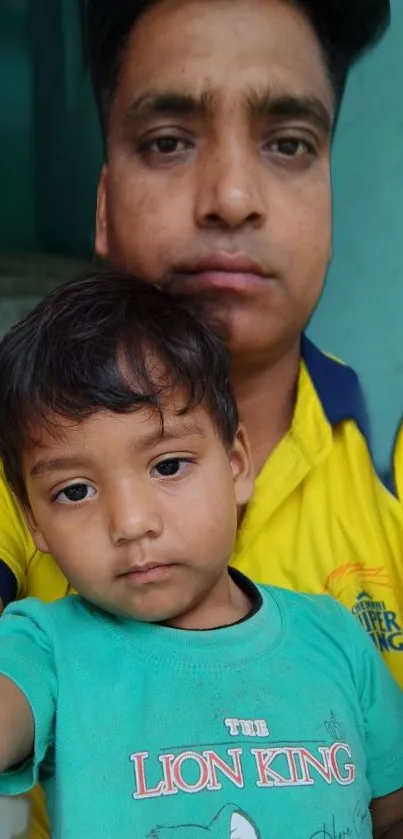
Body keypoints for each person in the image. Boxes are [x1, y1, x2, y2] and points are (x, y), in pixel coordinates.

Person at [0, 1, 401, 837]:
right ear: (104, 202)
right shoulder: (14, 490)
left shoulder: (385, 488)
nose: (229, 196)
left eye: (288, 143)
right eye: (168, 141)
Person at [0, 272, 403, 839]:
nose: (132, 523)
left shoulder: (335, 637)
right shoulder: (43, 648)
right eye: (75, 491)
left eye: (168, 466)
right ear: (31, 520)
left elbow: (391, 815)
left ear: (237, 466)